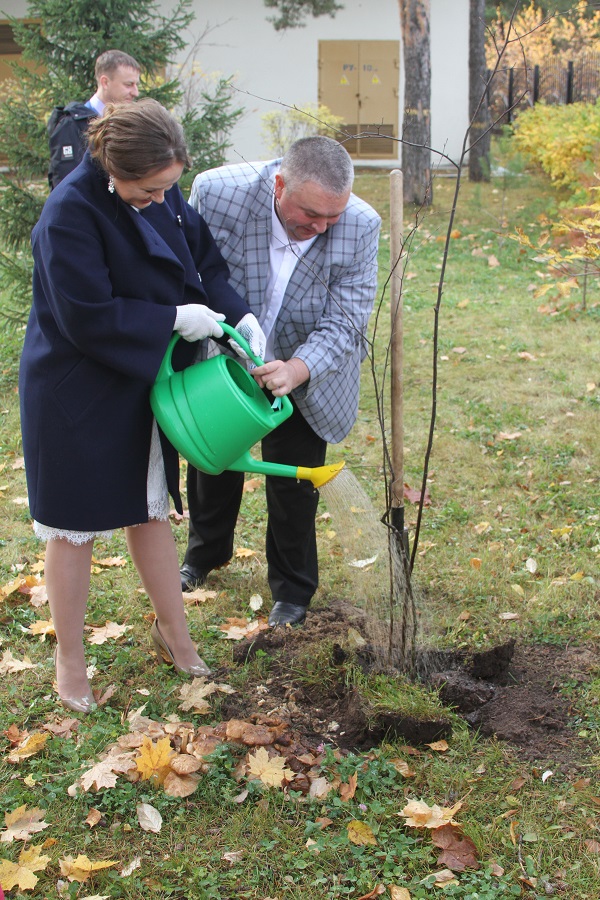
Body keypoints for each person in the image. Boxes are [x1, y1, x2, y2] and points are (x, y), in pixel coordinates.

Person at [20, 98, 261, 714]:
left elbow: (202, 262)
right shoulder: (68, 213)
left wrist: (238, 315)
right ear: (112, 168)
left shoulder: (159, 187)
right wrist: (171, 319)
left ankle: (176, 637)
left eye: (167, 189)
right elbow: (86, 316)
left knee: (150, 510)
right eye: (148, 191)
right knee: (73, 527)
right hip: (75, 385)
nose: (160, 200)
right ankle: (70, 659)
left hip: (143, 375)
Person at [180, 136, 381, 627]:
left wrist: (296, 368)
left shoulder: (360, 225)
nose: (322, 227)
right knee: (213, 461)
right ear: (278, 185)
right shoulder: (217, 193)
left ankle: (292, 590)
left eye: (332, 216)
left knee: (294, 479)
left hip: (307, 369)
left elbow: (347, 322)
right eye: (311, 214)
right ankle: (205, 554)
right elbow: (192, 273)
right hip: (226, 355)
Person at [48, 49, 141, 189]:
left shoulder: (129, 125)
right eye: (128, 85)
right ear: (105, 82)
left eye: (136, 85)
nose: (135, 92)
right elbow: (66, 186)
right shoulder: (72, 125)